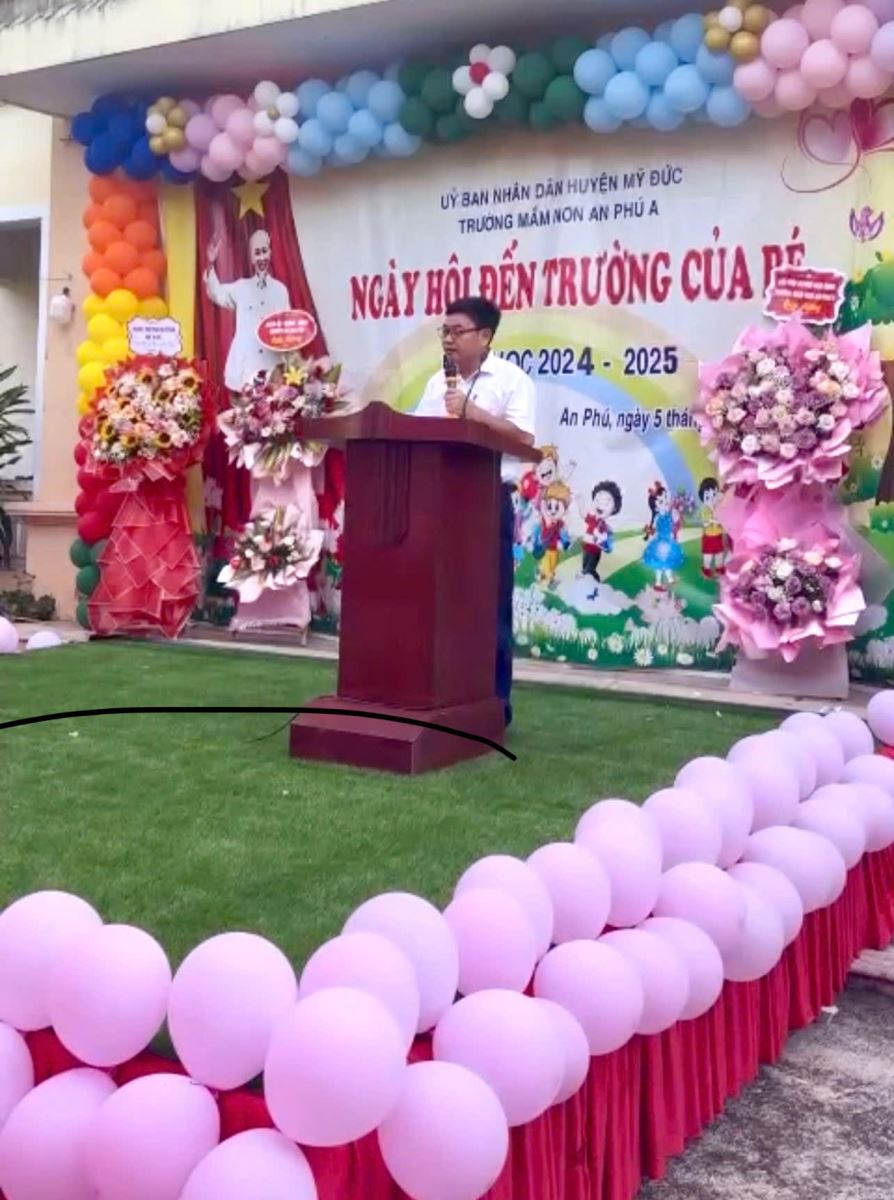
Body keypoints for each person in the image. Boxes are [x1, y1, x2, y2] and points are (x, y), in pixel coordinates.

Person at [413, 296, 536, 728]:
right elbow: (416, 433)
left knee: (488, 605)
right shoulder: (436, 384)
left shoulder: (512, 380)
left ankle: (494, 707)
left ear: (485, 336)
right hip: (435, 503)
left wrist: (472, 413)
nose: (448, 339)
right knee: (437, 604)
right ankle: (439, 697)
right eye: (444, 331)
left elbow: (523, 439)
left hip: (485, 503)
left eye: (457, 331)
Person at [204, 228, 291, 392]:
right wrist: (210, 263)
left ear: (270, 252)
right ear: (251, 258)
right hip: (246, 365)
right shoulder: (241, 287)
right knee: (245, 405)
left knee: (273, 405)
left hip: (273, 365)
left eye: (264, 251)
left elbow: (286, 329)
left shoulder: (280, 290)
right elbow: (216, 293)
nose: (261, 257)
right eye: (257, 253)